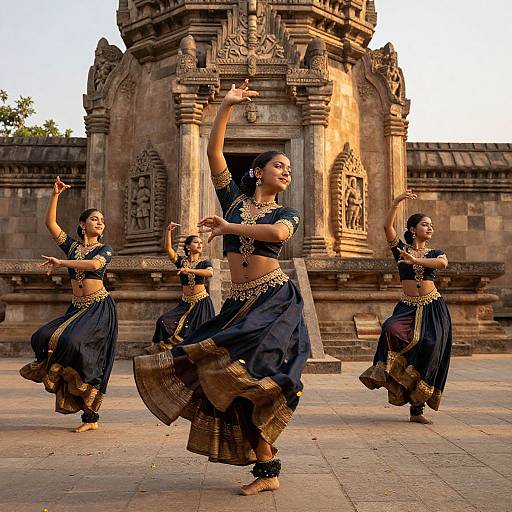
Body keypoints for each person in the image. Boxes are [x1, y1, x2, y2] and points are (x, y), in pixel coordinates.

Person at [133, 80, 310, 495]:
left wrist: (229, 227)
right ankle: (267, 470)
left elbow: (279, 233)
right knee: (223, 379)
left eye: (289, 167)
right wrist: (226, 105)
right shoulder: (231, 198)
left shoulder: (287, 211)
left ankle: (267, 466)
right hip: (238, 302)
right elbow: (214, 153)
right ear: (258, 171)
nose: (286, 171)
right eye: (279, 165)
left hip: (275, 299)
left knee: (257, 376)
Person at [20, 176, 118, 433]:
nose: (100, 223)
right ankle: (51, 369)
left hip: (99, 307)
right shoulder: (73, 247)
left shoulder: (104, 249)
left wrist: (62, 264)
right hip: (78, 307)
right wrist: (55, 194)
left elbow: (95, 266)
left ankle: (91, 417)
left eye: (102, 220)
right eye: (95, 219)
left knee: (79, 349)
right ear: (83, 224)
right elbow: (50, 223)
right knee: (42, 336)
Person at [359, 189, 452, 424]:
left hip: (433, 307)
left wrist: (416, 260)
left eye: (431, 225)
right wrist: (395, 202)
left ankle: (417, 409)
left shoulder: (435, 252)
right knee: (391, 329)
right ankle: (386, 375)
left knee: (430, 348)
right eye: (424, 224)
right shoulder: (400, 249)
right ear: (413, 230)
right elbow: (386, 228)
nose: (430, 228)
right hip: (408, 306)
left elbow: (442, 263)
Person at [149, 223, 215, 352]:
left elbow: (210, 273)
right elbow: (168, 250)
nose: (200, 244)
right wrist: (168, 231)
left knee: (197, 335)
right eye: (196, 242)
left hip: (201, 303)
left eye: (201, 242)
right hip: (185, 303)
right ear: (187, 247)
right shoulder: (181, 262)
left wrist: (190, 271)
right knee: (163, 321)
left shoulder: (204, 262)